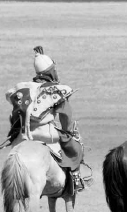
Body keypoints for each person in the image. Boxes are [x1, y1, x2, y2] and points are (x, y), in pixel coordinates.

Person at [5, 46, 92, 191]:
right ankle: (76, 178)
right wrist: (69, 133)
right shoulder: (55, 90)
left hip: (22, 135)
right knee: (76, 147)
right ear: (51, 71)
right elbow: (66, 118)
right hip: (45, 133)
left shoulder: (22, 89)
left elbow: (14, 112)